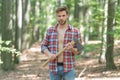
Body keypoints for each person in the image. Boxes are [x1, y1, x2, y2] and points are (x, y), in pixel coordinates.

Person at [41, 6, 82, 80]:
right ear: (56, 16)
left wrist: (72, 49)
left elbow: (79, 51)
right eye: (59, 16)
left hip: (69, 68)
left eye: (63, 15)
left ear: (67, 16)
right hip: (54, 67)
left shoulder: (75, 31)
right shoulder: (50, 31)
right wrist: (49, 54)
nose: (61, 18)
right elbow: (43, 46)